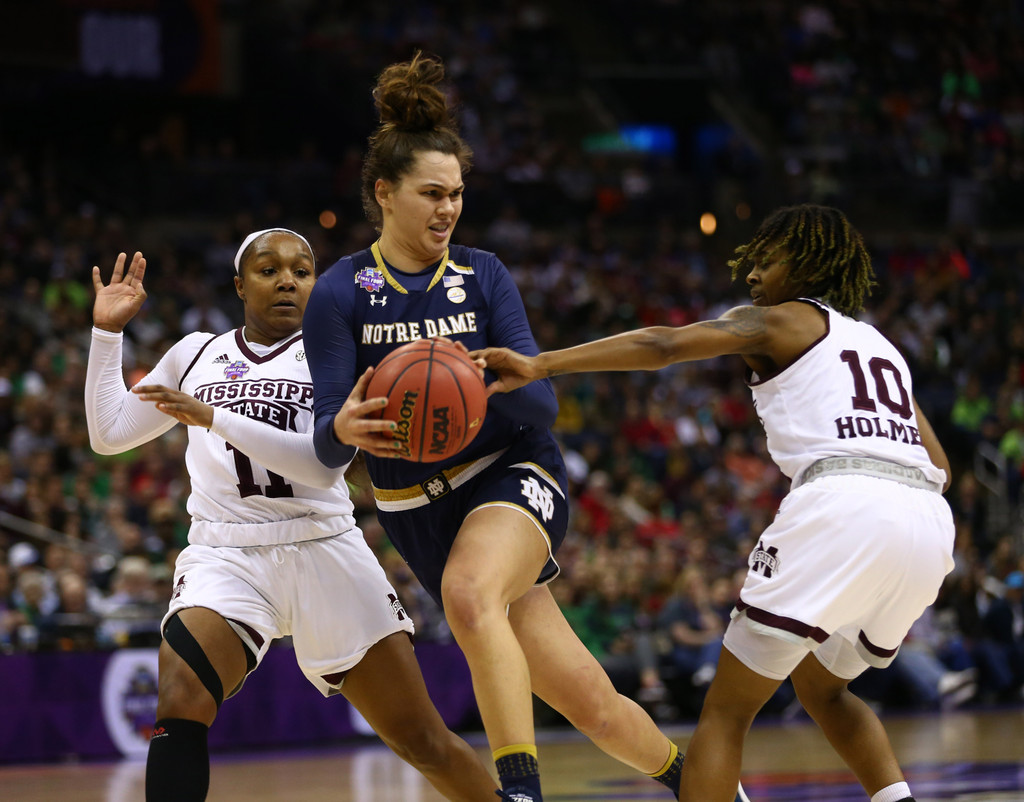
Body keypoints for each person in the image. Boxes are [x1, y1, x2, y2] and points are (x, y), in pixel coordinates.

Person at [303, 52, 748, 802]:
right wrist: (344, 427)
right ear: (384, 193)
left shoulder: (482, 275)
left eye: (457, 194)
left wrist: (478, 387)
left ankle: (520, 794)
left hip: (512, 473)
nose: (448, 209)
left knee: (470, 592)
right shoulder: (341, 292)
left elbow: (542, 407)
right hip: (416, 511)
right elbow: (323, 441)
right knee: (592, 704)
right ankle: (705, 788)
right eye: (431, 194)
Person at [474, 203, 956, 802]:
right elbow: (941, 466)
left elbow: (663, 344)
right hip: (927, 521)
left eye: (768, 260)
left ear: (808, 265)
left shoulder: (780, 321)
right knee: (824, 689)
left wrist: (542, 362)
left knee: (726, 713)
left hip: (844, 502)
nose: (752, 273)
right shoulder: (880, 347)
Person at [85, 234, 499, 802]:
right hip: (225, 552)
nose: (287, 280)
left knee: (421, 739)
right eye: (269, 269)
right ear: (240, 285)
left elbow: (322, 467)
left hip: (324, 545)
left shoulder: (341, 353)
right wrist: (106, 333)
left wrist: (214, 417)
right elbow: (109, 434)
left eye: (302, 271)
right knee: (180, 696)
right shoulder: (194, 353)